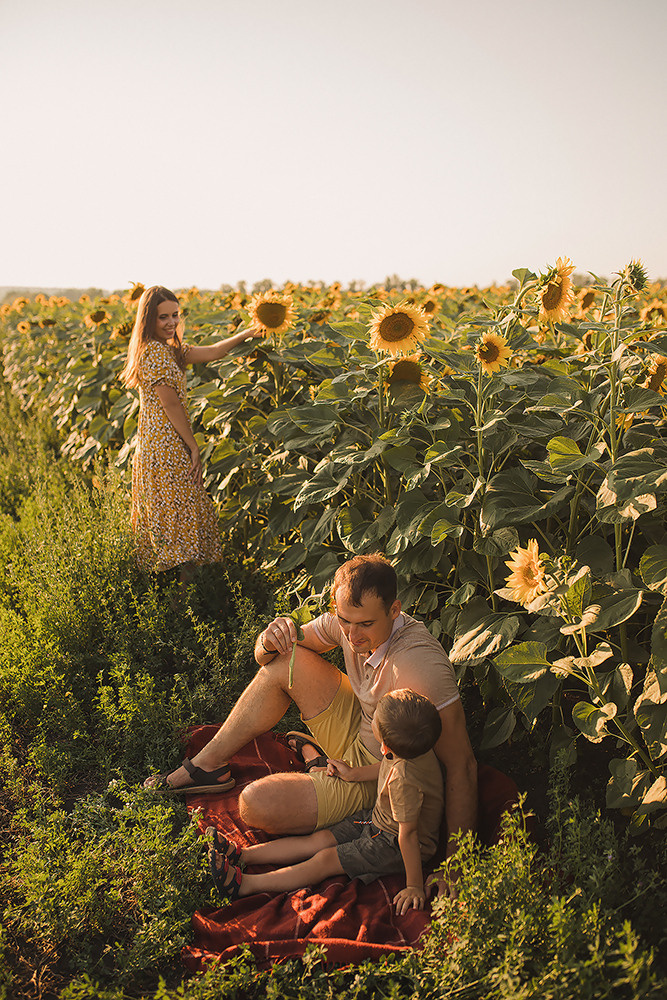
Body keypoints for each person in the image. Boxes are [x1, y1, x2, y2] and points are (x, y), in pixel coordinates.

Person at [144, 553, 477, 892]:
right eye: (345, 621)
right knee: (288, 658)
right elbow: (269, 656)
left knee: (254, 804)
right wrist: (267, 639)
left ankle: (311, 769)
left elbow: (461, 764)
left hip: (384, 769)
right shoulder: (347, 624)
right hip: (362, 727)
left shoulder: (421, 669)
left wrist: (456, 864)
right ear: (337, 609)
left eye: (365, 625)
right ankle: (207, 765)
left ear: (395, 611)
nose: (353, 635)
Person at [207, 689, 444, 915]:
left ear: (384, 746)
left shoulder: (403, 782)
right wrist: (352, 774)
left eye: (376, 719)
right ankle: (243, 856)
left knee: (325, 859)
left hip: (392, 843)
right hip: (377, 819)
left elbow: (408, 835)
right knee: (319, 840)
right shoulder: (414, 749)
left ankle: (243, 885)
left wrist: (413, 884)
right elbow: (387, 765)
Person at [120, 285, 261, 581]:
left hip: (163, 442)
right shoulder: (155, 353)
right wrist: (193, 445)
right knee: (180, 516)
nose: (171, 322)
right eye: (163, 318)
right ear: (148, 320)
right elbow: (170, 404)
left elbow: (212, 352)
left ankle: (174, 599)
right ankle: (180, 605)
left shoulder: (170, 350)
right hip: (165, 443)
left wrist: (247, 334)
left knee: (175, 513)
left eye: (175, 315)